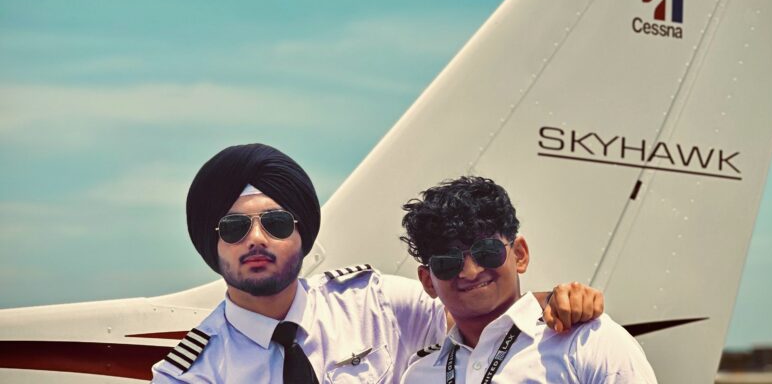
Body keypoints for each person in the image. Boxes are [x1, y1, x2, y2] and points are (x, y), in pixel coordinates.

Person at [151, 144, 605, 383]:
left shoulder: (376, 303)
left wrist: (558, 301)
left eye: (276, 223)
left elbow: (479, 309)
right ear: (211, 242)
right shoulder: (189, 374)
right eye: (233, 228)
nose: (255, 239)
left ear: (303, 233)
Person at [399, 176, 658, 384]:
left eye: (486, 251)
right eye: (447, 261)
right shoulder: (419, 375)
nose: (470, 271)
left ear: (520, 255)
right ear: (428, 282)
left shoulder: (588, 342)